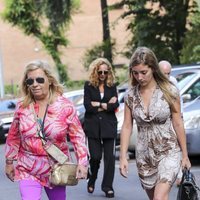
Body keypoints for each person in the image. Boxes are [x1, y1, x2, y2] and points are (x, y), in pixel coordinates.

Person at [5, 60, 88, 200]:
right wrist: (9, 162)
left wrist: (82, 162)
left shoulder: (64, 106)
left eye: (39, 79)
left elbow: (77, 136)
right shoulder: (22, 106)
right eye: (30, 81)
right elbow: (13, 136)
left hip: (56, 167)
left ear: (49, 80)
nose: (35, 84)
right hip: (28, 167)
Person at [119, 47, 191, 200]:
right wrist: (123, 156)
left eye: (143, 72)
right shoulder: (130, 95)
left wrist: (185, 155)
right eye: (135, 72)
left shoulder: (169, 90)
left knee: (159, 198)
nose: (139, 77)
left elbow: (178, 123)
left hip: (168, 150)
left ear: (153, 68)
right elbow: (126, 126)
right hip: (144, 155)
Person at [83, 58, 119, 198]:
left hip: (109, 126)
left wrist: (97, 104)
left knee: (110, 158)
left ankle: (107, 187)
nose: (103, 74)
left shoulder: (112, 86)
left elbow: (115, 106)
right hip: (93, 127)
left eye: (105, 71)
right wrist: (105, 105)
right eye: (100, 72)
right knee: (95, 157)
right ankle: (92, 178)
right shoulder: (88, 85)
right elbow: (88, 106)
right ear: (95, 72)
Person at [159, 60, 184, 186]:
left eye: (168, 73)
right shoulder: (153, 83)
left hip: (173, 120)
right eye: (164, 73)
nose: (167, 76)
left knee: (176, 147)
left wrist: (181, 116)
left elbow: (179, 101)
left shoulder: (173, 82)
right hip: (159, 125)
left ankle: (178, 175)